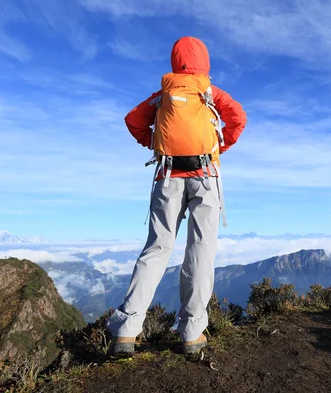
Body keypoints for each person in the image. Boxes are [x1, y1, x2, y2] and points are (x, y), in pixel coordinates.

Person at [106, 36, 247, 355]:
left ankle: (126, 331)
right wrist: (219, 147)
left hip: (167, 175)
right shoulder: (210, 92)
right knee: (201, 250)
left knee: (157, 248)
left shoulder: (164, 94)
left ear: (175, 60)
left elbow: (132, 119)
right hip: (205, 176)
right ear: (204, 63)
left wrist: (152, 143)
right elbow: (238, 117)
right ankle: (192, 334)